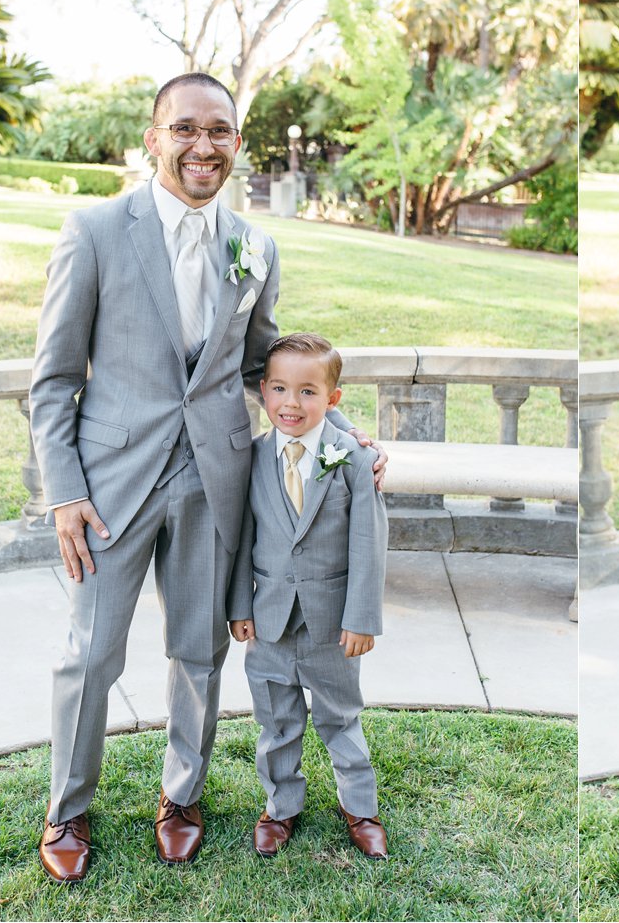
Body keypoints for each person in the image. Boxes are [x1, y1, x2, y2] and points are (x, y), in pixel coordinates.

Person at [30, 72, 383, 882]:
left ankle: (180, 794)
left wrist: (343, 432)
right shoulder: (92, 232)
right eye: (184, 128)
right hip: (110, 483)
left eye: (219, 130)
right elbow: (53, 379)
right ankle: (67, 809)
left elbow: (269, 366)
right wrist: (66, 490)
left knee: (198, 650)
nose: (203, 145)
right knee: (90, 654)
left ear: (235, 142)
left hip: (216, 475)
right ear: (154, 138)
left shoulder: (256, 245)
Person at [227, 333, 389, 860]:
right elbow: (241, 538)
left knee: (341, 718)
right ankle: (280, 808)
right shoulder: (251, 459)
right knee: (275, 722)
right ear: (262, 391)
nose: (291, 403)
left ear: (333, 400)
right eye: (278, 389)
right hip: (270, 620)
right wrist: (239, 605)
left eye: (307, 392)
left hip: (332, 623)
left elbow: (369, 544)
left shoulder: (354, 461)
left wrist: (361, 617)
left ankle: (360, 808)